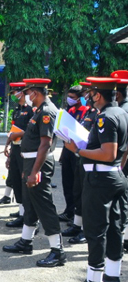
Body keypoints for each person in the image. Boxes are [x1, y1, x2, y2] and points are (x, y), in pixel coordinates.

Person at [65, 77, 128, 282]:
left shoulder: (105, 118)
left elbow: (108, 153)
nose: (88, 96)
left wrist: (77, 151)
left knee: (95, 230)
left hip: (100, 180)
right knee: (115, 228)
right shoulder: (122, 113)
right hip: (116, 177)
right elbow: (121, 152)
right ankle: (112, 277)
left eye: (91, 93)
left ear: (97, 95)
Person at [3, 79, 65, 267]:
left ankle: (57, 251)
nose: (26, 97)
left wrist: (34, 171)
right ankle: (26, 241)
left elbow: (45, 144)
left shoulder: (46, 112)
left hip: (38, 164)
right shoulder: (39, 110)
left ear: (35, 93)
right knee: (30, 204)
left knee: (44, 206)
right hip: (29, 161)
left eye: (28, 93)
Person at [62, 82, 98, 244]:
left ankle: (85, 230)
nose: (87, 97)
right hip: (79, 157)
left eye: (89, 93)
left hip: (91, 159)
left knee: (87, 196)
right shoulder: (90, 112)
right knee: (77, 191)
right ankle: (77, 225)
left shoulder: (98, 113)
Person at [2, 82, 35, 228]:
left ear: (22, 93)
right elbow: (12, 131)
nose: (15, 95)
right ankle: (21, 211)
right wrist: (7, 148)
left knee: (24, 181)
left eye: (16, 92)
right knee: (15, 179)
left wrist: (18, 134)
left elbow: (31, 130)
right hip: (15, 149)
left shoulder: (31, 110)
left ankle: (26, 214)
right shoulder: (17, 110)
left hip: (25, 149)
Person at [57, 86, 84, 223]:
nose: (69, 100)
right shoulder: (70, 111)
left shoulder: (85, 112)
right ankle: (69, 211)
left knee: (77, 185)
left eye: (72, 98)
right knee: (67, 182)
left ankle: (77, 215)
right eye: (69, 97)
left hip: (78, 152)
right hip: (67, 149)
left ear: (80, 98)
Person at [109, 70, 128, 254]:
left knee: (122, 203)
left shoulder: (123, 110)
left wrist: (120, 167)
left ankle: (123, 239)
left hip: (123, 162)